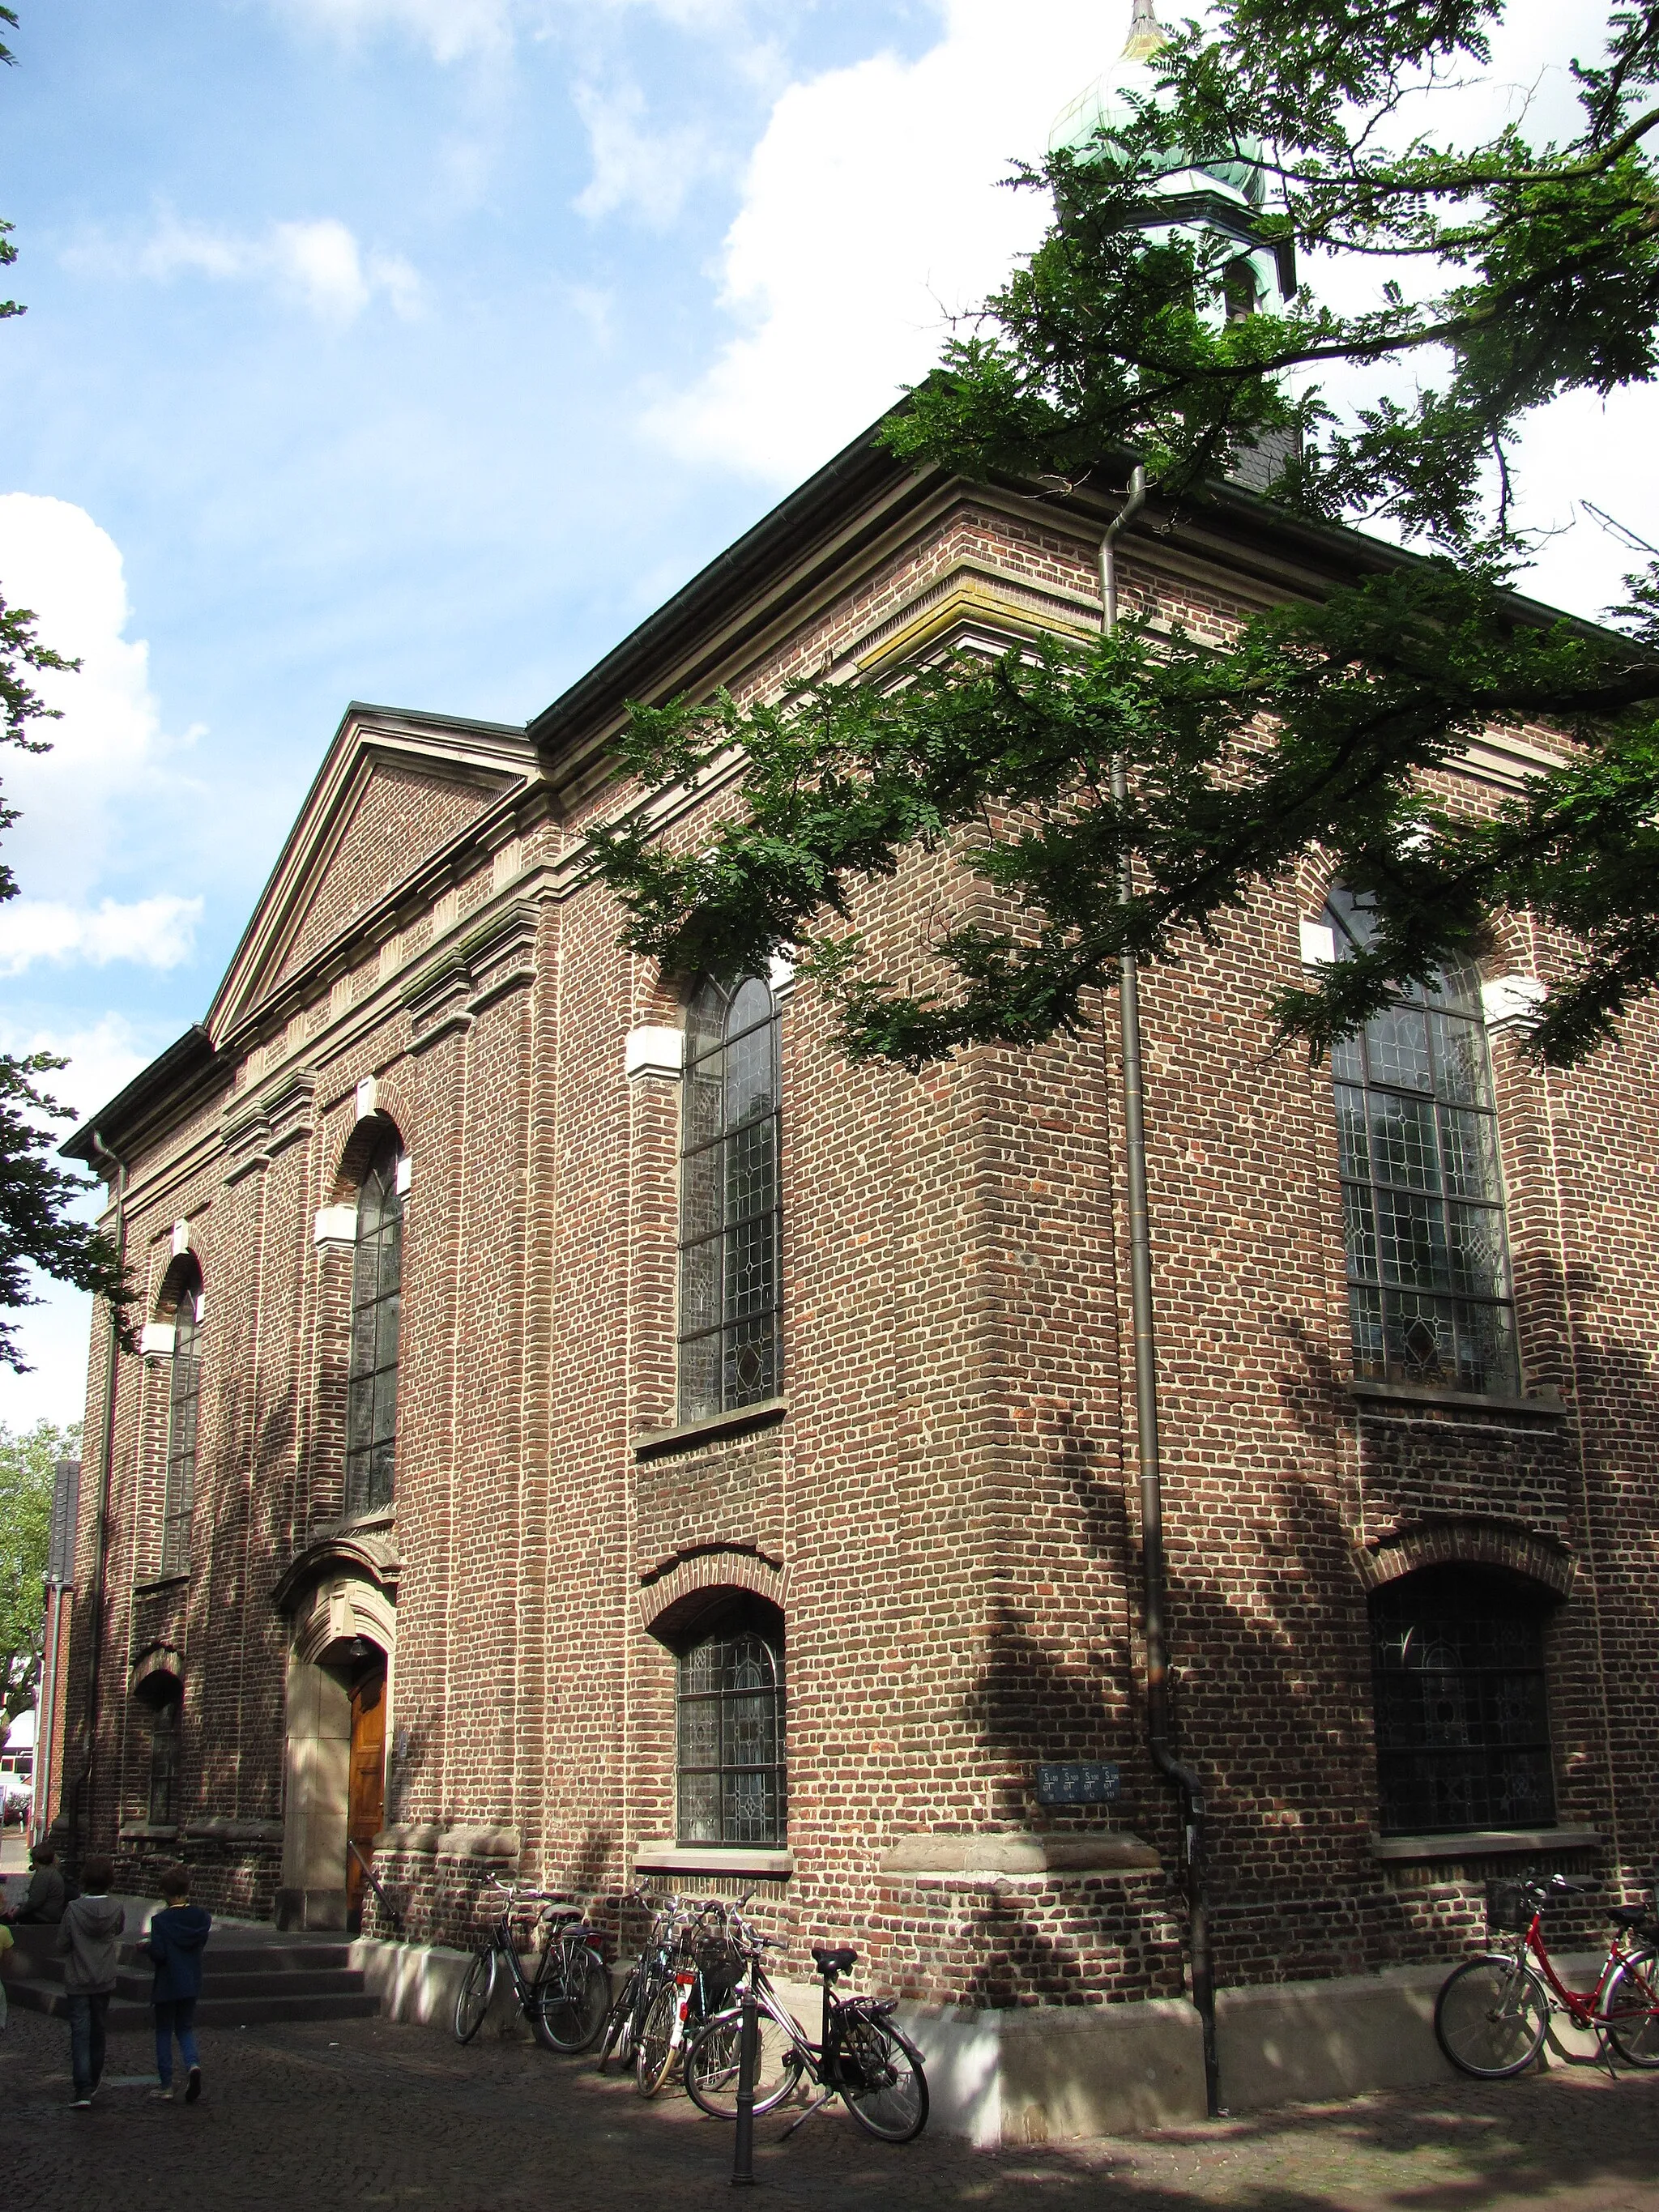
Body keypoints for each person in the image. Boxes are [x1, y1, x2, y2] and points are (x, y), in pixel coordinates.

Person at [56, 1852, 125, 2108]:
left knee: (80, 2032)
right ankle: (94, 2079)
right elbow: (117, 1929)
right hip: (104, 1976)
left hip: (78, 1977)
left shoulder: (74, 1909)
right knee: (98, 2030)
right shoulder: (116, 1907)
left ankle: (82, 2087)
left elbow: (62, 1943)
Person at [145, 1865, 211, 2104]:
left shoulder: (161, 1921)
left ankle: (166, 2085)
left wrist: (147, 1948)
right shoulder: (201, 1918)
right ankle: (193, 2064)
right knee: (185, 2028)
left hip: (167, 1983)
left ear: (166, 1893)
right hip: (191, 1980)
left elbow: (160, 1954)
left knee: (164, 2031)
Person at [3, 1841, 67, 1924]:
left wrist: (17, 1912)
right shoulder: (52, 1872)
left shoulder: (43, 1875)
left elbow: (35, 1902)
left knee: (8, 1919)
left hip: (45, 1916)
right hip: (52, 1913)